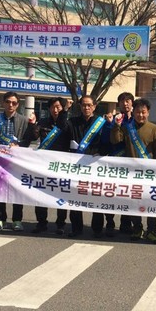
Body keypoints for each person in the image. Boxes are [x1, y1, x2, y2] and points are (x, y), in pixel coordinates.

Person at [110, 97, 156, 243]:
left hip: (150, 172)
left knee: (152, 201)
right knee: (134, 201)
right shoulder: (127, 127)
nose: (141, 115)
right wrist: (116, 126)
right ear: (133, 113)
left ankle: (151, 229)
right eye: (138, 112)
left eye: (143, 112)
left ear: (148, 113)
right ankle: (137, 227)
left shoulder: (154, 128)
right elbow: (115, 140)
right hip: (132, 172)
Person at [0, 91, 36, 231]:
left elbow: (30, 139)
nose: (10, 105)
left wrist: (20, 145)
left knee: (17, 191)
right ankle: (0, 219)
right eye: (8, 102)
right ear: (3, 103)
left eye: (14, 103)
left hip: (17, 161)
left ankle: (17, 220)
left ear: (18, 105)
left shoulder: (24, 120)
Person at [64, 95, 110, 238]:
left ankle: (97, 229)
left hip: (95, 166)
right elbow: (62, 128)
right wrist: (65, 110)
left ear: (94, 106)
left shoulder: (101, 123)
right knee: (75, 198)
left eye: (89, 105)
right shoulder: (72, 122)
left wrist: (101, 152)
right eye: (84, 105)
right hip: (77, 166)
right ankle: (76, 229)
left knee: (96, 197)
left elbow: (108, 142)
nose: (86, 108)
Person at [32, 97, 70, 235]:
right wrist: (32, 125)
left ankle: (60, 224)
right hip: (44, 164)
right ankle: (41, 223)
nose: (55, 110)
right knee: (41, 194)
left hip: (62, 164)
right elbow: (33, 136)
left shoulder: (67, 122)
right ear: (49, 109)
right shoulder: (42, 122)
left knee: (61, 194)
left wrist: (64, 113)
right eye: (53, 107)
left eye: (58, 107)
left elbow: (62, 126)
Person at [103, 91, 135, 234]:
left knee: (128, 195)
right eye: (123, 101)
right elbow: (107, 140)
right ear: (119, 104)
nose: (126, 103)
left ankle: (126, 223)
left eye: (128, 100)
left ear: (132, 103)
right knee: (111, 194)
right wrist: (111, 124)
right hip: (114, 162)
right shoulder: (113, 119)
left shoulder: (136, 119)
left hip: (131, 164)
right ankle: (110, 221)